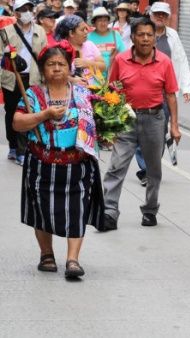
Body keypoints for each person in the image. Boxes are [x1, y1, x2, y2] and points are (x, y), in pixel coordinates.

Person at [13, 41, 105, 279]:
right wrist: (44, 114)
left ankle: (73, 260)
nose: (56, 69)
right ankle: (46, 255)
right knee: (41, 209)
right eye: (51, 64)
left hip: (78, 163)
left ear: (69, 67)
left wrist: (106, 136)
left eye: (61, 64)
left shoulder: (83, 93)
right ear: (43, 69)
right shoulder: (32, 94)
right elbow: (17, 123)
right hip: (42, 163)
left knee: (78, 209)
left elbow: (99, 124)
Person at [102, 17, 181, 230]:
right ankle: (109, 212)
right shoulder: (121, 60)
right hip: (126, 119)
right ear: (133, 37)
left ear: (155, 37)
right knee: (116, 166)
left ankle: (150, 209)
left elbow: (171, 95)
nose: (146, 39)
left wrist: (174, 126)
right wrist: (110, 124)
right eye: (141, 35)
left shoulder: (164, 61)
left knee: (153, 170)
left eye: (149, 35)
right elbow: (112, 91)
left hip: (155, 119)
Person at [134, 1, 190, 186]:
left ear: (167, 17)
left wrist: (186, 87)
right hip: (141, 90)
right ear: (150, 14)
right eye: (157, 13)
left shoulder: (172, 35)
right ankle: (146, 170)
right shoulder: (141, 32)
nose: (160, 17)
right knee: (139, 133)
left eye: (163, 15)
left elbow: (181, 60)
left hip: (165, 93)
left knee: (158, 134)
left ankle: (150, 168)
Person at [1, 0, 48, 166]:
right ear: (15, 13)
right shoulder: (5, 32)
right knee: (11, 112)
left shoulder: (40, 31)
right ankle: (13, 146)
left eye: (29, 8)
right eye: (22, 9)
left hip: (33, 78)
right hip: (12, 79)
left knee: (28, 112)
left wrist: (45, 77)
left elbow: (44, 56)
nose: (27, 12)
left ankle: (23, 150)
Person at [54, 15, 105, 86]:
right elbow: (55, 74)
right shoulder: (60, 50)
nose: (86, 32)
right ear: (71, 33)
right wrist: (72, 80)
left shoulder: (90, 45)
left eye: (86, 29)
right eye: (82, 30)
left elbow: (103, 66)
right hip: (70, 92)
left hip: (94, 91)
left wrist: (87, 63)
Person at [88, 6, 126, 78]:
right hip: (94, 77)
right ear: (94, 22)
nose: (103, 23)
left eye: (105, 20)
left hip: (113, 76)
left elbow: (123, 54)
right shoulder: (88, 37)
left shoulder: (115, 34)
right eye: (99, 20)